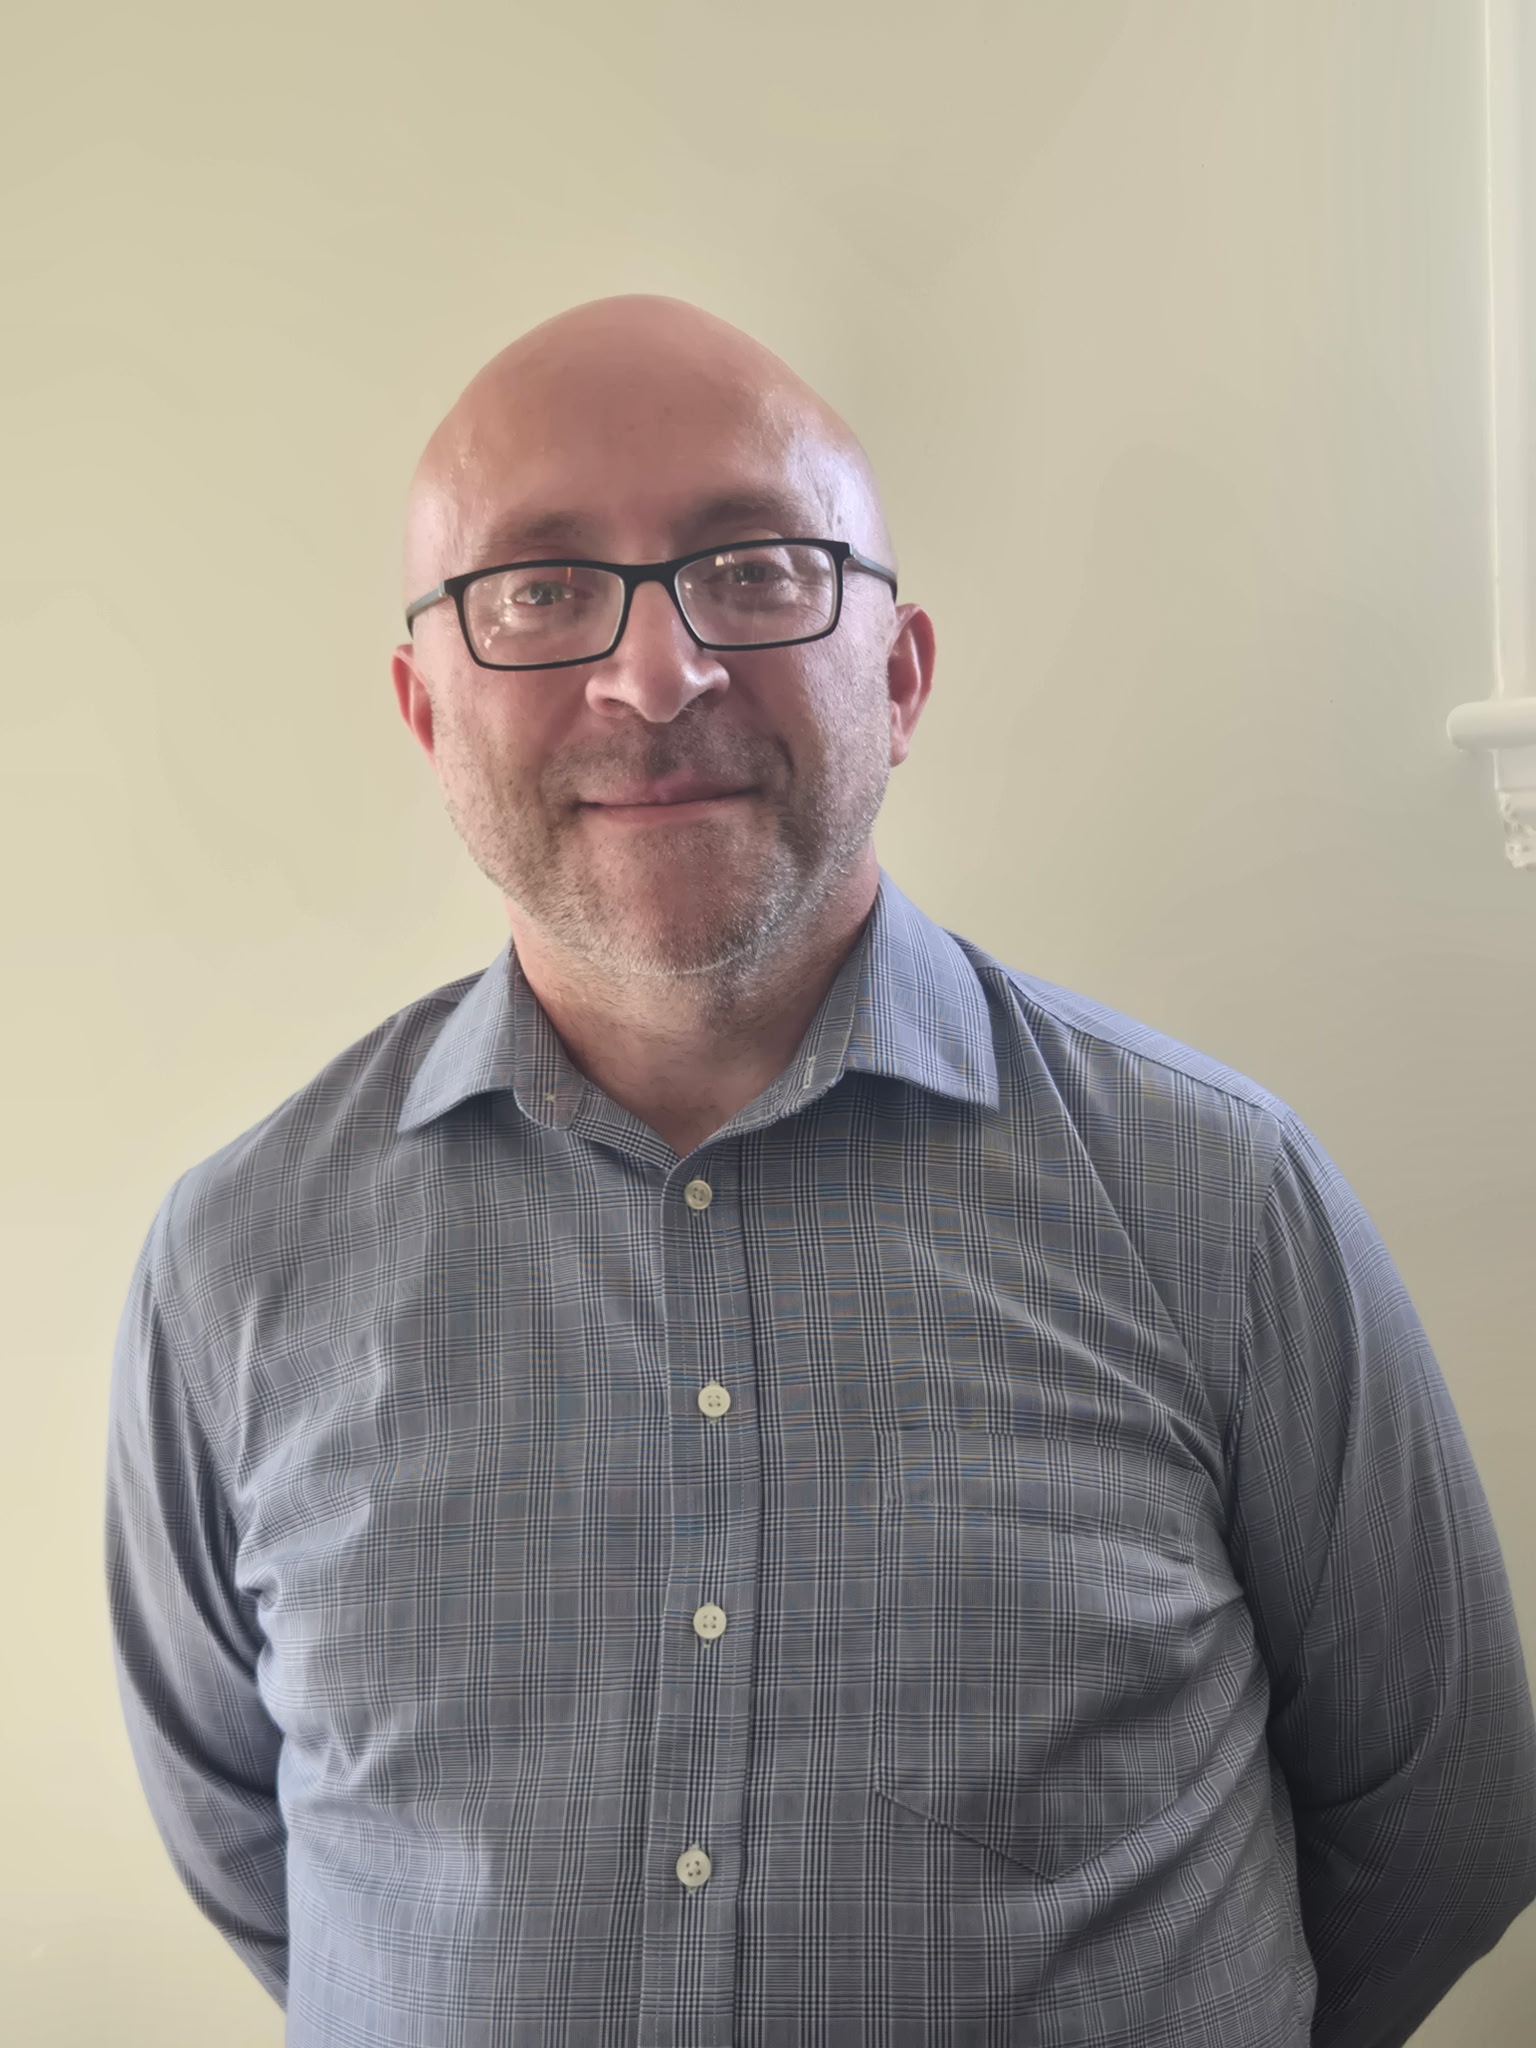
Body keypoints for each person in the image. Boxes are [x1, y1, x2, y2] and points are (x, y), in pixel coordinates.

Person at [107, 293, 1536, 2048]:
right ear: (426, 711)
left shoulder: (1219, 1203)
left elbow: (1444, 1831)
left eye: (756, 567)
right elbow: (254, 1851)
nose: (655, 678)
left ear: (902, 674)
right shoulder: (238, 1262)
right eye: (539, 590)